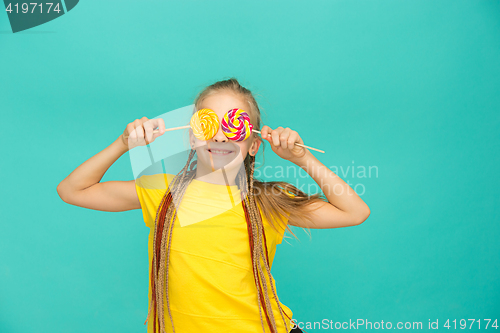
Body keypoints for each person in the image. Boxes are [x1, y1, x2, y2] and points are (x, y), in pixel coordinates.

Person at [57, 78, 371, 333]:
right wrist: (122, 144)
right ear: (193, 137)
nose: (220, 137)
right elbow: (73, 190)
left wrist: (302, 158)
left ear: (253, 145)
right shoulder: (160, 191)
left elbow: (355, 212)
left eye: (235, 126)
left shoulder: (269, 201)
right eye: (209, 124)